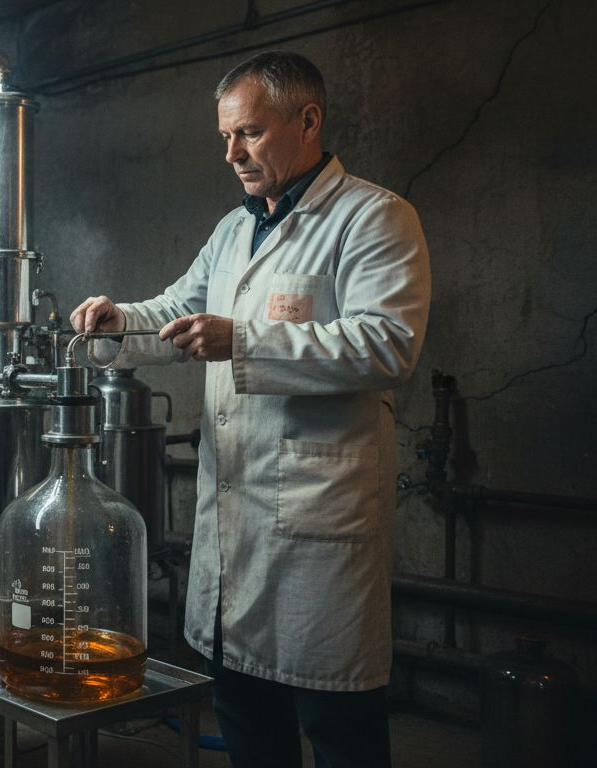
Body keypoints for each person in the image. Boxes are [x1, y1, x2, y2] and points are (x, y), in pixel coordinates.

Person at [71, 51, 430, 768]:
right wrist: (118, 321)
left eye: (251, 134)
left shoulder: (373, 217)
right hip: (236, 515)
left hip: (316, 523)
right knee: (245, 720)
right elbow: (178, 308)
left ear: (308, 120)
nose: (232, 154)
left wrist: (246, 341)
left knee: (338, 727)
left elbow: (387, 344)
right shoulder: (235, 230)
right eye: (225, 137)